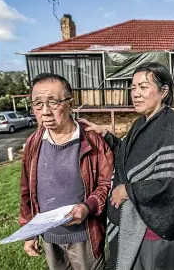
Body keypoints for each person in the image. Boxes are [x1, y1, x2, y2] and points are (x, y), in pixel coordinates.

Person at [79, 62, 174, 270]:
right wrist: (105, 135)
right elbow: (131, 155)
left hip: (157, 235)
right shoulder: (141, 123)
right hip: (133, 225)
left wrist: (129, 190)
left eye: (143, 87)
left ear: (163, 91)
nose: (136, 94)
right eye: (133, 88)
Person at [20, 73, 113, 270]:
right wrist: (29, 232)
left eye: (53, 102)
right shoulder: (33, 143)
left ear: (70, 104)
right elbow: (26, 191)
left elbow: (107, 184)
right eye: (37, 104)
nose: (45, 111)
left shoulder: (92, 141)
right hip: (48, 235)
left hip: (84, 235)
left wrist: (87, 207)